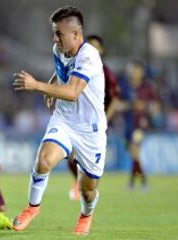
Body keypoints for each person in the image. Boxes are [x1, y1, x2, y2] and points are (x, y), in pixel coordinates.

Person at [12, 6, 107, 235]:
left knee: (87, 190)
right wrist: (52, 85)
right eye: (54, 33)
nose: (55, 38)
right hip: (64, 119)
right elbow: (62, 70)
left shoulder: (89, 56)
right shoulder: (59, 49)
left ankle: (86, 214)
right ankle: (32, 208)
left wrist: (37, 86)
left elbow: (73, 92)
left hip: (90, 129)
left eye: (59, 33)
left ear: (76, 34)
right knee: (43, 161)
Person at [66, 34, 121, 201]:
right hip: (78, 120)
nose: (92, 49)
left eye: (96, 46)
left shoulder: (106, 72)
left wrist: (104, 120)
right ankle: (79, 184)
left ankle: (90, 189)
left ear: (101, 50)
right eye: (90, 45)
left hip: (97, 123)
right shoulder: (77, 66)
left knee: (92, 160)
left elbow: (115, 99)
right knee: (71, 153)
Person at [120, 60, 158, 191]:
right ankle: (132, 182)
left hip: (141, 124)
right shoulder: (125, 87)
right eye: (133, 70)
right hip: (128, 125)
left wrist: (146, 107)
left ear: (142, 72)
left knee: (134, 149)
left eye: (137, 70)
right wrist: (130, 105)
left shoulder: (147, 87)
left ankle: (143, 182)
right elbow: (118, 105)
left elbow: (155, 106)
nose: (135, 73)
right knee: (133, 155)